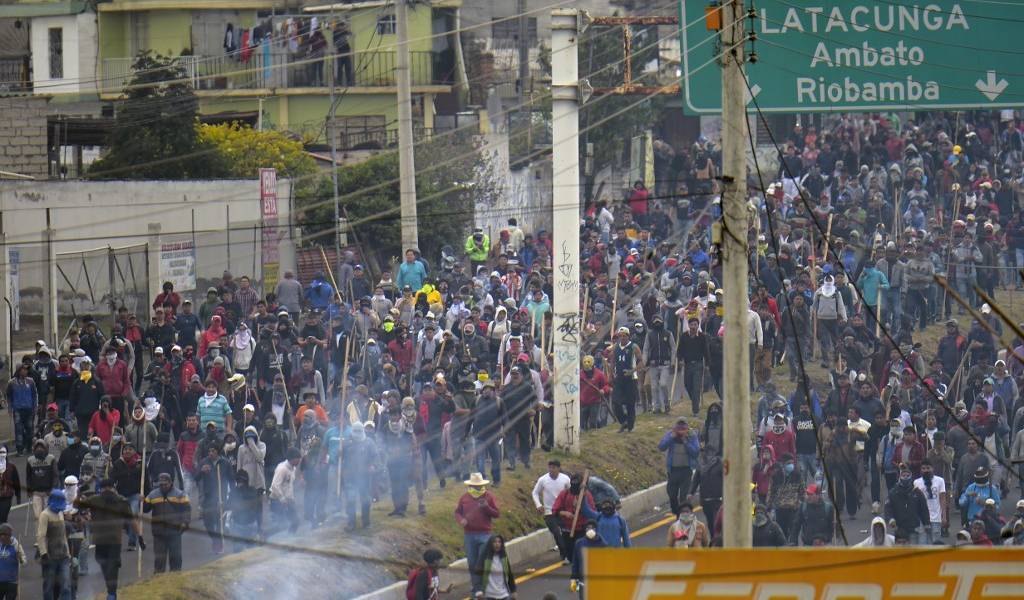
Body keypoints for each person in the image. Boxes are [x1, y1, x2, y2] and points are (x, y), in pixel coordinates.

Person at [79, 477, 135, 599]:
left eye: (108, 488)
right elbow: (131, 520)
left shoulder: (98, 500)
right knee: (107, 566)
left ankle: (111, 593)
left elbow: (77, 505)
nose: (107, 490)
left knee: (109, 566)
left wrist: (80, 490)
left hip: (106, 540)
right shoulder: (119, 500)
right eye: (106, 488)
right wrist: (138, 536)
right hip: (109, 540)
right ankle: (111, 590)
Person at [454, 473, 500, 596]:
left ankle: (484, 586)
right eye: (475, 486)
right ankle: (477, 588)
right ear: (470, 485)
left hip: (485, 534)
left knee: (482, 562)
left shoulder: (489, 497)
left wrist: (486, 508)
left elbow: (496, 514)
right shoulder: (464, 497)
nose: (477, 488)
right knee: (472, 563)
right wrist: (461, 520)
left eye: (479, 486)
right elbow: (457, 512)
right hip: (469, 535)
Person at [142, 472, 190, 573]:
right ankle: (159, 578)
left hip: (175, 532)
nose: (163, 486)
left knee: (175, 557)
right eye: (161, 484)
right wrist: (142, 502)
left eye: (165, 484)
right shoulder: (152, 495)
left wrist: (185, 523)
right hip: (158, 533)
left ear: (170, 482)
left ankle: (176, 576)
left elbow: (186, 510)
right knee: (159, 559)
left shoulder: (180, 494)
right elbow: (145, 509)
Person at [550, 473, 596, 565]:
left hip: (582, 528)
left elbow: (592, 512)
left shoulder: (586, 495)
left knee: (580, 548)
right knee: (570, 551)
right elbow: (555, 509)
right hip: (567, 528)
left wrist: (582, 504)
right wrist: (565, 513)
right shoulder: (564, 493)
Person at [658, 418, 699, 516]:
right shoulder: (671, 434)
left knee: (683, 497)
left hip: (686, 471)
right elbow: (661, 447)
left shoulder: (691, 436)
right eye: (679, 429)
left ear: (687, 428)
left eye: (683, 429)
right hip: (673, 470)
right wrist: (672, 437)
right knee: (672, 494)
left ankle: (682, 516)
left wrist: (685, 441)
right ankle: (676, 511)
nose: (681, 431)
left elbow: (695, 452)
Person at [36, 489, 71, 600]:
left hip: (63, 556)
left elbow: (63, 535)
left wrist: (68, 553)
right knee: (49, 586)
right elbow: (41, 536)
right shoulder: (45, 515)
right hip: (50, 557)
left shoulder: (60, 513)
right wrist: (44, 554)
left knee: (65, 585)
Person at [532, 460, 571, 560]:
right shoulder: (543, 480)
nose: (551, 470)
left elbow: (571, 492)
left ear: (558, 468)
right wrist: (538, 505)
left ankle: (568, 552)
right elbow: (535, 493)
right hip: (549, 512)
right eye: (550, 467)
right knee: (556, 532)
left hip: (563, 510)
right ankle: (564, 553)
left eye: (554, 467)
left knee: (566, 533)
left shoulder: (565, 479)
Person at [885, 463, 930, 542]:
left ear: (911, 476)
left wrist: (926, 524)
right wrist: (891, 519)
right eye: (903, 475)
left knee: (912, 551)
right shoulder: (893, 492)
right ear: (900, 477)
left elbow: (924, 509)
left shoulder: (917, 492)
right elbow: (888, 508)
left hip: (914, 528)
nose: (905, 477)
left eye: (907, 475)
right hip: (899, 528)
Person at [611, 327, 643, 432]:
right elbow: (612, 361)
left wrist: (632, 371)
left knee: (630, 404)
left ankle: (630, 426)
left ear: (628, 336)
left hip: (631, 378)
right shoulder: (615, 347)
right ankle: (623, 421)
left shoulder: (634, 347)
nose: (622, 338)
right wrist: (611, 374)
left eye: (624, 335)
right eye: (620, 336)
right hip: (619, 378)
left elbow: (641, 362)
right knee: (616, 402)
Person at [225, 470, 262, 553]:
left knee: (238, 551)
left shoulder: (234, 492)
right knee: (252, 551)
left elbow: (228, 506)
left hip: (239, 525)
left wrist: (221, 505)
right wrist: (259, 528)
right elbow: (259, 511)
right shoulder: (254, 491)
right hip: (251, 524)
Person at [268, 447, 301, 536]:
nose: (299, 461)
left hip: (288, 500)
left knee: (295, 521)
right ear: (292, 459)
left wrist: (292, 498)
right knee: (280, 525)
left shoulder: (293, 469)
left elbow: (289, 485)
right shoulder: (282, 468)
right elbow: (275, 485)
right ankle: (269, 539)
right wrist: (282, 499)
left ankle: (288, 540)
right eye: (298, 459)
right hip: (277, 501)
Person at [913, 459, 947, 544]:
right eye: (923, 468)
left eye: (928, 468)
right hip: (922, 519)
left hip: (936, 518)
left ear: (932, 468)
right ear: (921, 470)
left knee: (935, 545)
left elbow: (942, 499)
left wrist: (944, 516)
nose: (926, 470)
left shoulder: (940, 481)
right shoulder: (916, 482)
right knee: (922, 544)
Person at [474, 535, 516, 600]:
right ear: (490, 544)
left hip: (503, 594)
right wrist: (479, 591)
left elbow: (509, 573)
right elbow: (477, 575)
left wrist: (513, 590)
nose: (497, 544)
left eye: (499, 542)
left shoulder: (503, 557)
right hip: (489, 595)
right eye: (494, 542)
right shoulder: (485, 558)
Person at [0, 522, 25, 600]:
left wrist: (20, 557)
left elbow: (24, 562)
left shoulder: (16, 545)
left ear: (9, 535)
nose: (2, 537)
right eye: (1, 534)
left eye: (4, 534)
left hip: (12, 582)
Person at [0, 449, 21, 524]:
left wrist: (18, 496)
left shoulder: (11, 466)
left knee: (2, 519)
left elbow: (16, 482)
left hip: (6, 496)